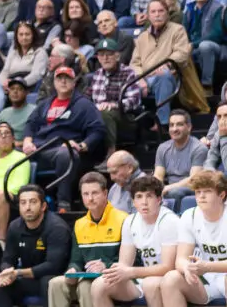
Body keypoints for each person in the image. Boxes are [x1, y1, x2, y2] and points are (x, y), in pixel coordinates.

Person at [23, 66, 106, 212]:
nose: (63, 81)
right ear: (54, 82)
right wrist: (27, 141)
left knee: (66, 154)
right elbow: (30, 123)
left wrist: (82, 145)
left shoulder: (83, 104)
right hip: (40, 149)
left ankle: (64, 204)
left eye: (67, 78)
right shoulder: (45, 104)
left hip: (63, 150)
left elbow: (98, 130)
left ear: (74, 83)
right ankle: (17, 201)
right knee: (12, 155)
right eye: (59, 78)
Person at [91, 174, 178, 307]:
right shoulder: (130, 221)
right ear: (133, 201)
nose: (144, 202)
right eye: (139, 196)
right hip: (144, 279)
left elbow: (168, 267)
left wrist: (131, 272)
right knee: (99, 285)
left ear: (159, 199)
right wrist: (114, 271)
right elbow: (124, 264)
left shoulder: (169, 221)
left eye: (149, 196)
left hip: (170, 280)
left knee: (152, 284)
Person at [48, 172, 129, 307]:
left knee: (86, 285)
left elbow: (134, 260)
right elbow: (76, 260)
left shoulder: (123, 219)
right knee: (55, 283)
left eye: (95, 193)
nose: (90, 198)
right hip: (89, 277)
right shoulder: (79, 224)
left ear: (105, 193)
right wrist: (73, 270)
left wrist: (106, 266)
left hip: (116, 279)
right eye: (85, 194)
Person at [0, 185, 72, 307]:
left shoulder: (57, 228)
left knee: (48, 282)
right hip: (30, 279)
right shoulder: (14, 227)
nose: (27, 207)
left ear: (43, 206)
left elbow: (53, 266)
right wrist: (7, 271)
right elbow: (7, 259)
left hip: (56, 278)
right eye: (23, 203)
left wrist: (18, 272)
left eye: (33, 202)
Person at [161, 170, 227, 307]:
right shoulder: (189, 216)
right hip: (207, 279)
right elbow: (181, 259)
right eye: (198, 192)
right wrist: (187, 268)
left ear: (222, 194)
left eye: (207, 191)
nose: (201, 196)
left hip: (221, 273)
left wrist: (208, 266)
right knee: (170, 279)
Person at [155, 110, 207, 201]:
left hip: (192, 189)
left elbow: (194, 179)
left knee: (175, 192)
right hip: (170, 190)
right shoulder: (163, 148)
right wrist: (156, 189)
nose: (174, 129)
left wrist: (168, 188)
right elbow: (158, 176)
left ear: (189, 127)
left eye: (179, 124)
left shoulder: (199, 148)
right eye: (171, 125)